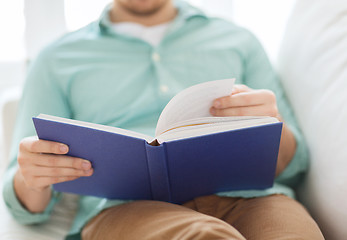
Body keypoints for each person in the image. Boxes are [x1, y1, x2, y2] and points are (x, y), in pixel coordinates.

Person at [2, 0, 324, 239]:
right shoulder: (56, 59)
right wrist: (33, 175)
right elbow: (25, 198)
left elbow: (295, 165)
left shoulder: (239, 41)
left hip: (255, 201)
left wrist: (270, 127)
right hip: (124, 213)